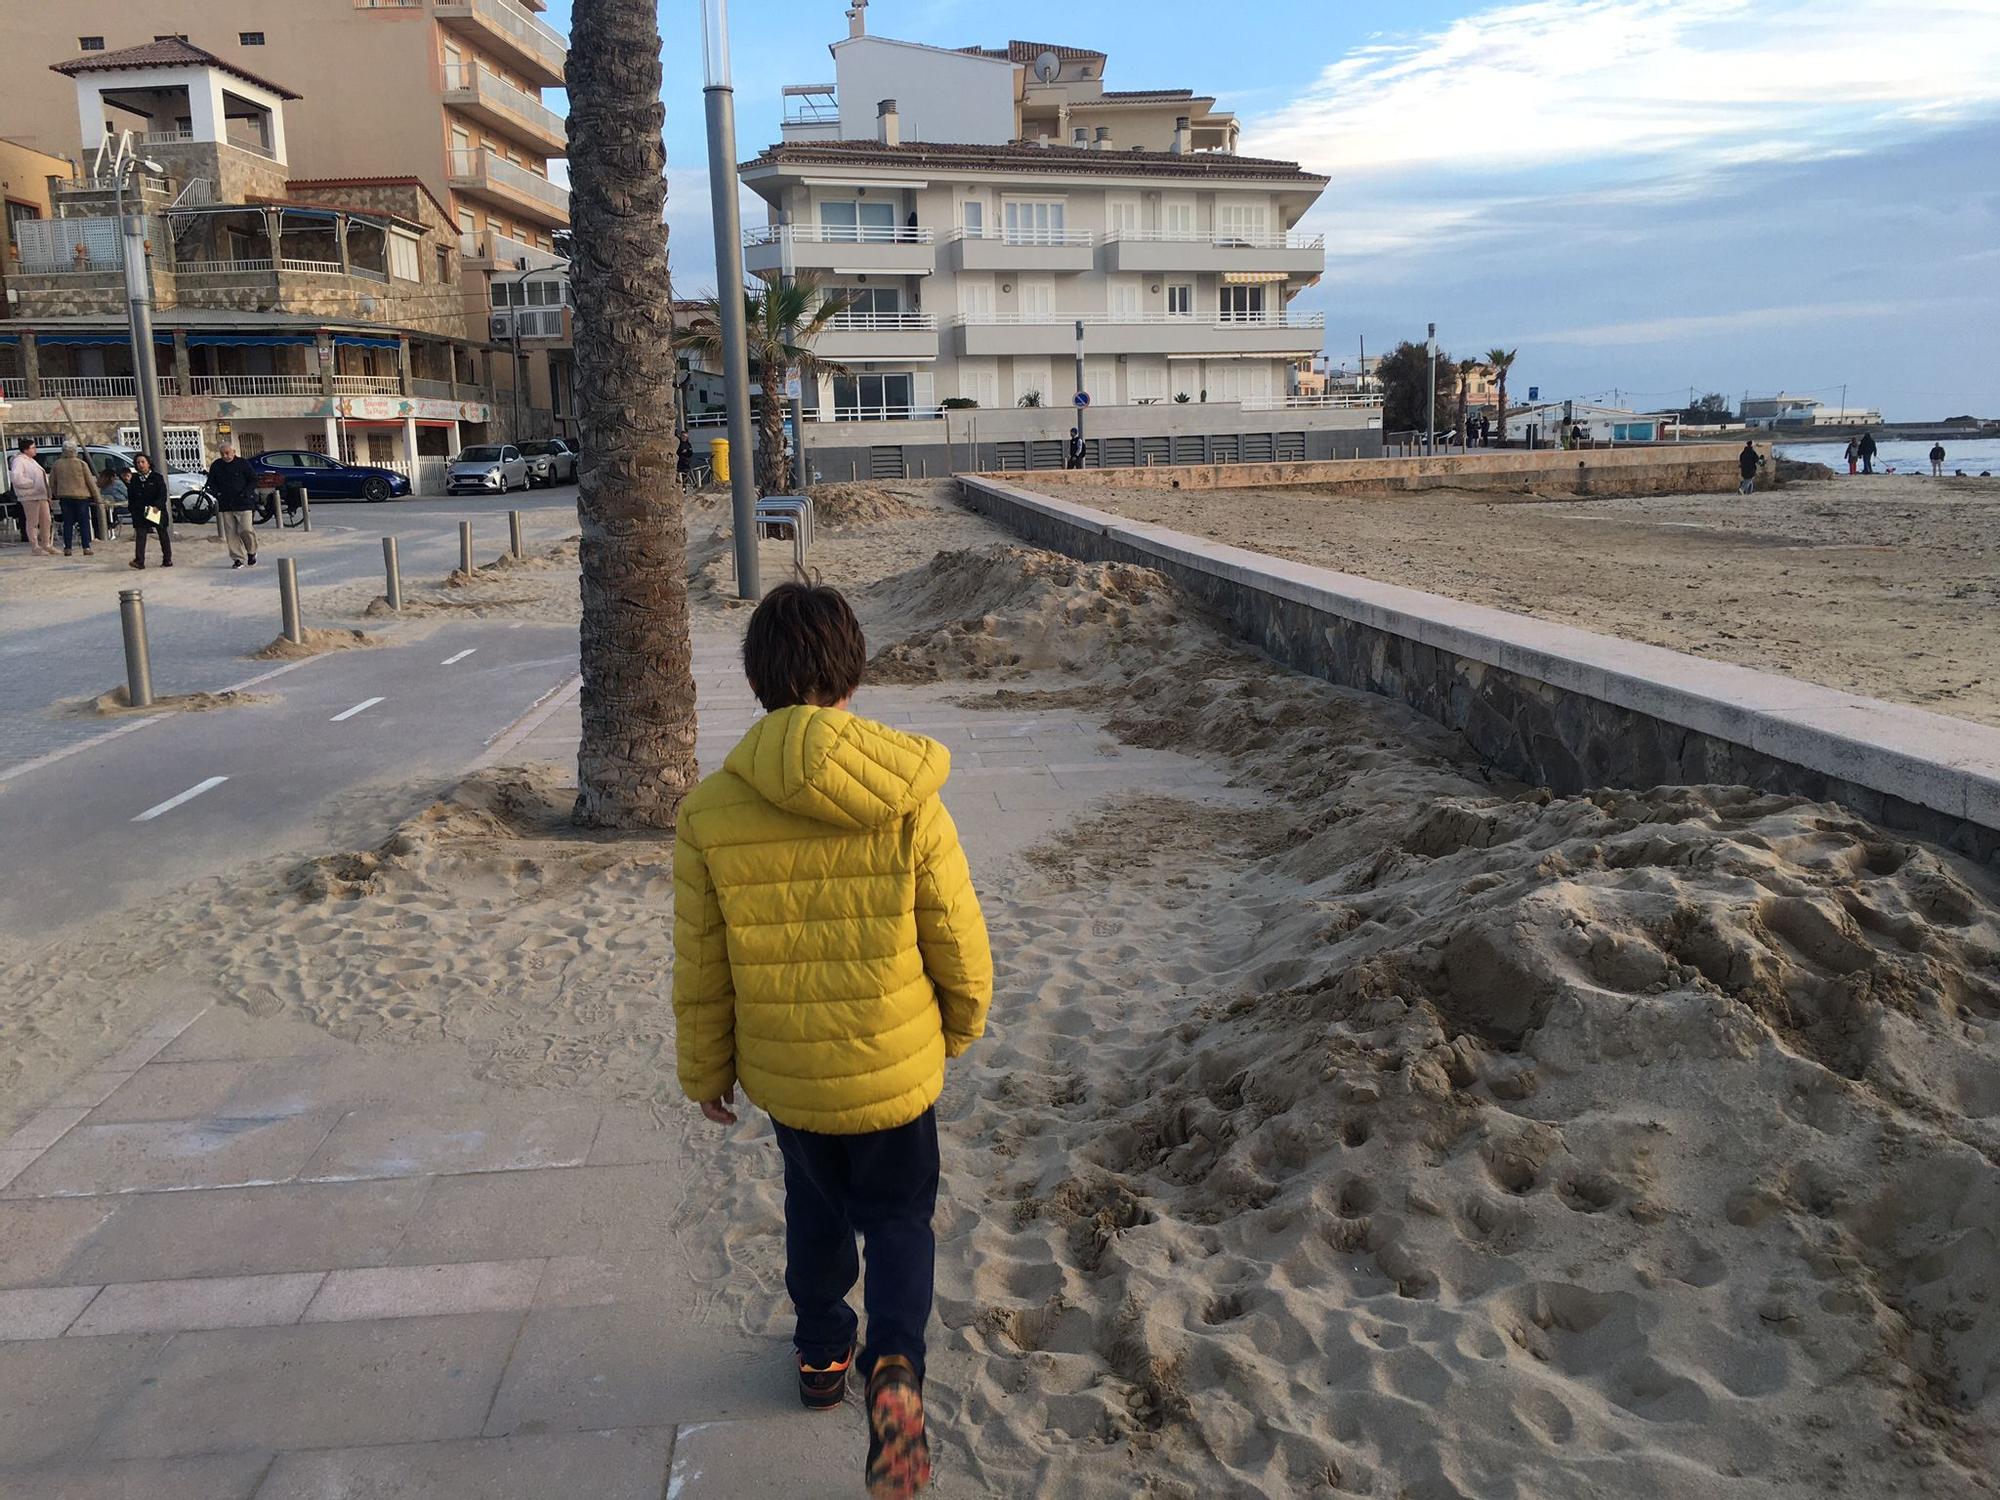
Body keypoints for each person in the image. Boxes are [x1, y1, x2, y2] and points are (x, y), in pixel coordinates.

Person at [673, 583, 992, 1500]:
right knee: (898, 1215)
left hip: (791, 1076)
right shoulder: (906, 794)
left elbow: (703, 965)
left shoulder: (711, 812)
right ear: (853, 669)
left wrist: (707, 1068)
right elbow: (957, 936)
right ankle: (894, 1366)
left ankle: (820, 1356)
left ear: (759, 680)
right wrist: (961, 1022)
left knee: (813, 1206)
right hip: (895, 1068)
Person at [207, 440, 260, 567]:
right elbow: (211, 482)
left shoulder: (243, 463)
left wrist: (246, 493)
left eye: (227, 453)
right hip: (226, 504)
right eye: (222, 453)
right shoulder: (216, 465)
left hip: (243, 503)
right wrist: (217, 493)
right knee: (231, 533)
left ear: (233, 452)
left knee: (246, 529)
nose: (225, 456)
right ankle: (238, 558)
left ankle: (252, 551)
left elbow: (253, 479)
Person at [49, 440, 101, 558]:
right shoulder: (81, 464)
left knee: (67, 522)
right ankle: (86, 546)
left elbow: (52, 482)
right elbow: (90, 482)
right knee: (83, 522)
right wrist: (97, 497)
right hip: (81, 496)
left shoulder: (57, 464)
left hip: (64, 496)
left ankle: (67, 547)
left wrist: (56, 493)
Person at [9, 438, 54, 556]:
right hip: (30, 496)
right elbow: (16, 478)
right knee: (33, 521)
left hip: (41, 495)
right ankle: (35, 546)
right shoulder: (19, 461)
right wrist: (32, 483)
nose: (35, 450)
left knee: (46, 520)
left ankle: (46, 543)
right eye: (33, 447)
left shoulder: (32, 461)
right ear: (26, 449)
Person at [128, 453, 172, 569]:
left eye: (143, 462)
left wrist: (158, 506)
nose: (140, 465)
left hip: (155, 510)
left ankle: (167, 559)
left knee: (163, 534)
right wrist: (132, 508)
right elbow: (131, 495)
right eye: (138, 462)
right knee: (141, 535)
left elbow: (162, 494)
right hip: (140, 511)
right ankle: (139, 561)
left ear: (148, 463)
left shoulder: (157, 477)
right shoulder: (135, 479)